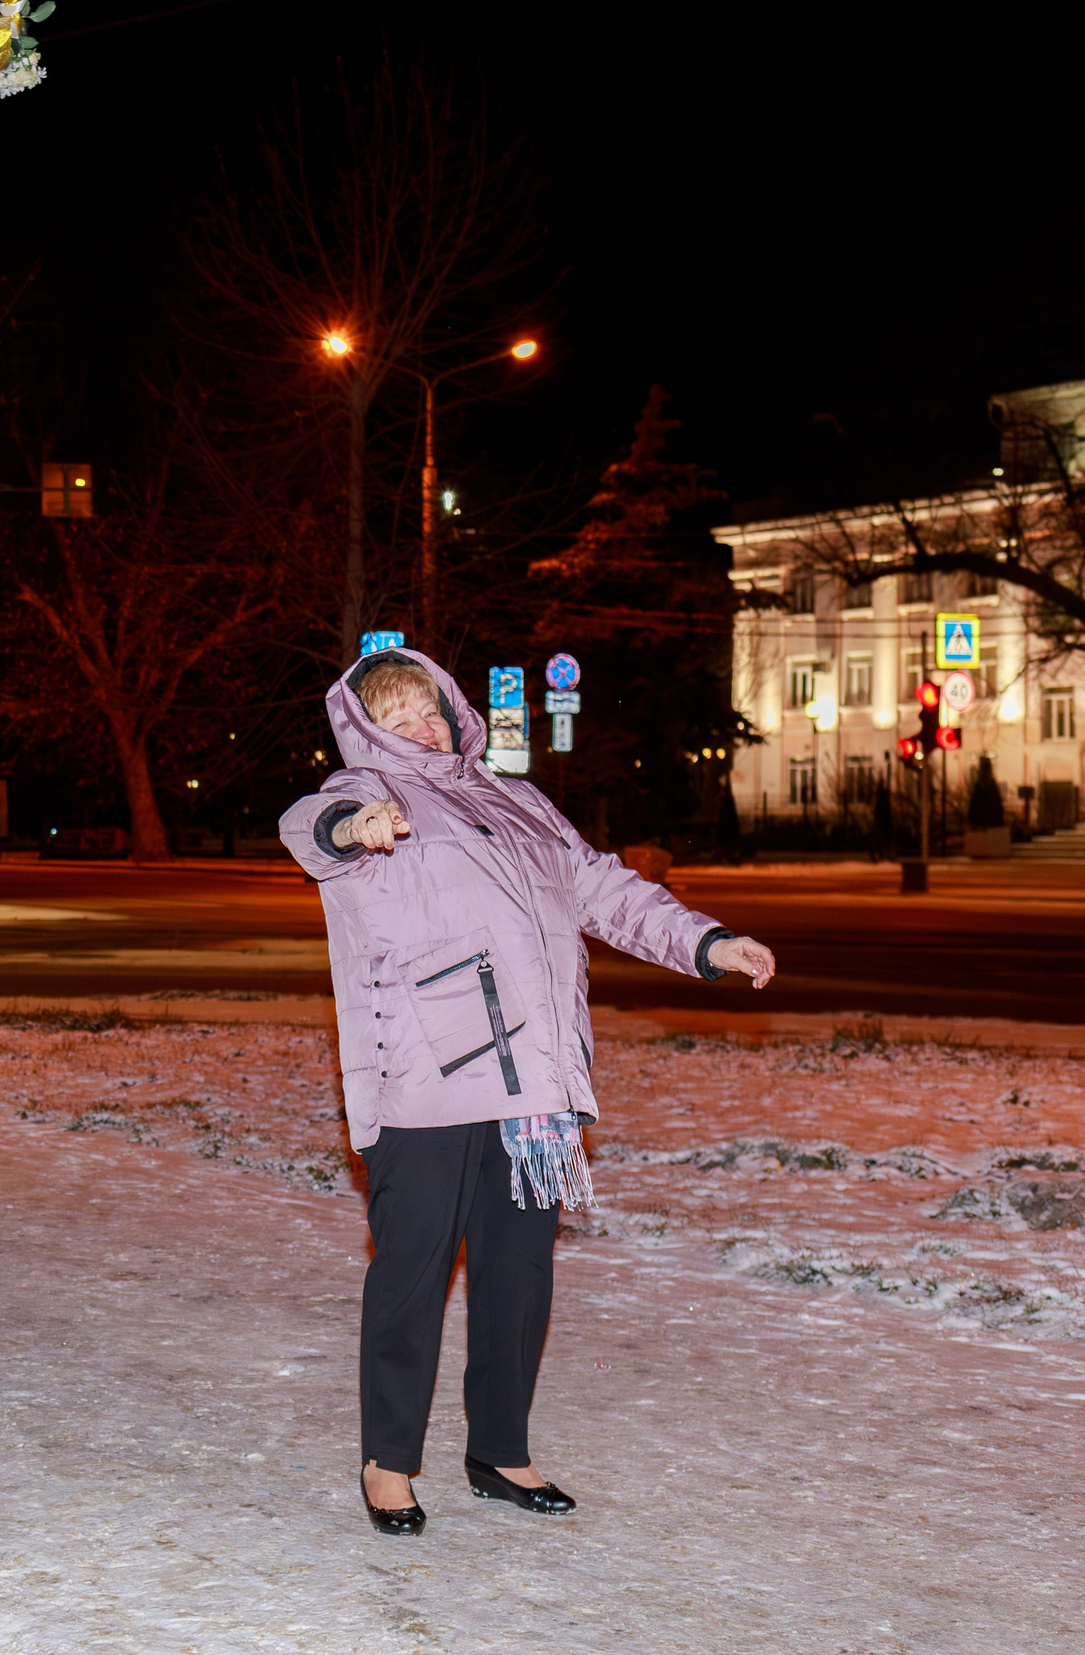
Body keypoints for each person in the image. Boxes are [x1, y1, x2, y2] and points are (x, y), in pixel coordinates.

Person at [280, 648, 779, 1536]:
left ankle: (500, 1450)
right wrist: (357, 826)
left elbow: (605, 888)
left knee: (518, 1273)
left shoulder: (520, 801)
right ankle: (388, 1462)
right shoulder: (363, 792)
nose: (423, 728)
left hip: (532, 1083)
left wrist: (707, 943)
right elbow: (306, 827)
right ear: (366, 733)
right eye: (397, 718)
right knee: (412, 1274)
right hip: (426, 1079)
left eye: (431, 710)